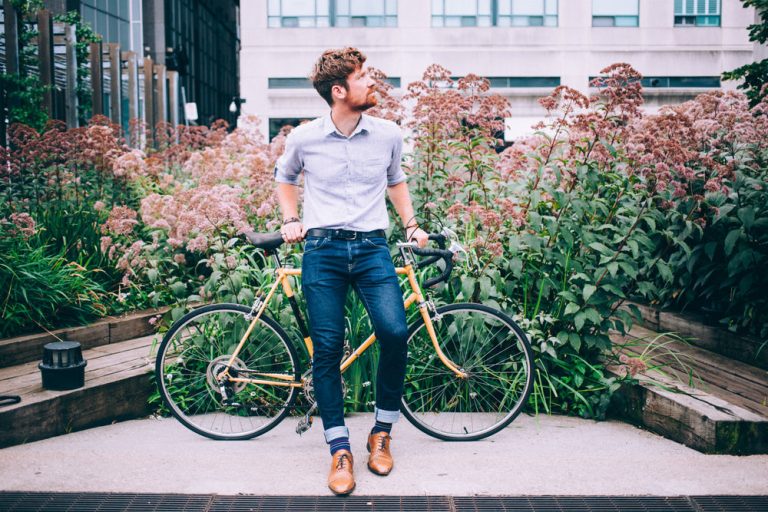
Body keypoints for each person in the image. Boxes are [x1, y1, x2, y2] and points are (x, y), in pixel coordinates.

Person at [274, 47, 428, 496]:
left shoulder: (388, 135)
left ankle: (381, 433)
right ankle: (339, 449)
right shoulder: (304, 138)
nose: (372, 83)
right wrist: (289, 219)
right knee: (326, 348)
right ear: (339, 90)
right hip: (321, 250)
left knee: (395, 332)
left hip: (371, 250)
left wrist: (412, 225)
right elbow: (285, 178)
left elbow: (396, 180)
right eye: (363, 77)